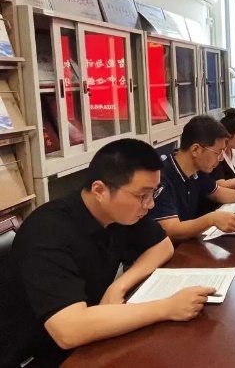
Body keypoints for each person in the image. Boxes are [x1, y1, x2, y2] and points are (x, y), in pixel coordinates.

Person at [0, 139, 218, 368]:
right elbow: (68, 329)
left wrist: (119, 286)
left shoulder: (120, 213)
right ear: (100, 190)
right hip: (34, 356)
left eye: (153, 193)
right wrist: (167, 307)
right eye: (142, 195)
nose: (150, 205)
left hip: (89, 338)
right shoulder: (46, 231)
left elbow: (163, 246)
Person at [149, 115, 235, 240]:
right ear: (195, 150)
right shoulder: (161, 178)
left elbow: (216, 192)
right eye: (218, 152)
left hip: (190, 241)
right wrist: (211, 219)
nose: (221, 158)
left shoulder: (198, 169)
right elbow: (171, 229)